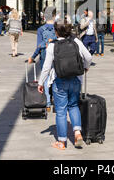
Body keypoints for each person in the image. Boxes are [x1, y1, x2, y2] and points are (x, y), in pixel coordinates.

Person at [38, 20, 92, 150]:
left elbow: (46, 67)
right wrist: (85, 68)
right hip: (75, 80)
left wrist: (41, 82)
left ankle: (61, 142)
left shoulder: (52, 46)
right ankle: (77, 132)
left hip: (60, 82)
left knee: (61, 111)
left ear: (56, 32)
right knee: (73, 106)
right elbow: (89, 57)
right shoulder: (76, 42)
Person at [28, 8, 57, 111]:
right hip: (57, 54)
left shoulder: (41, 29)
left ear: (44, 16)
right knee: (55, 77)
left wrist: (33, 57)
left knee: (45, 77)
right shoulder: (57, 28)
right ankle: (56, 103)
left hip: (45, 54)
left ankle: (48, 103)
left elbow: (39, 46)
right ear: (54, 16)